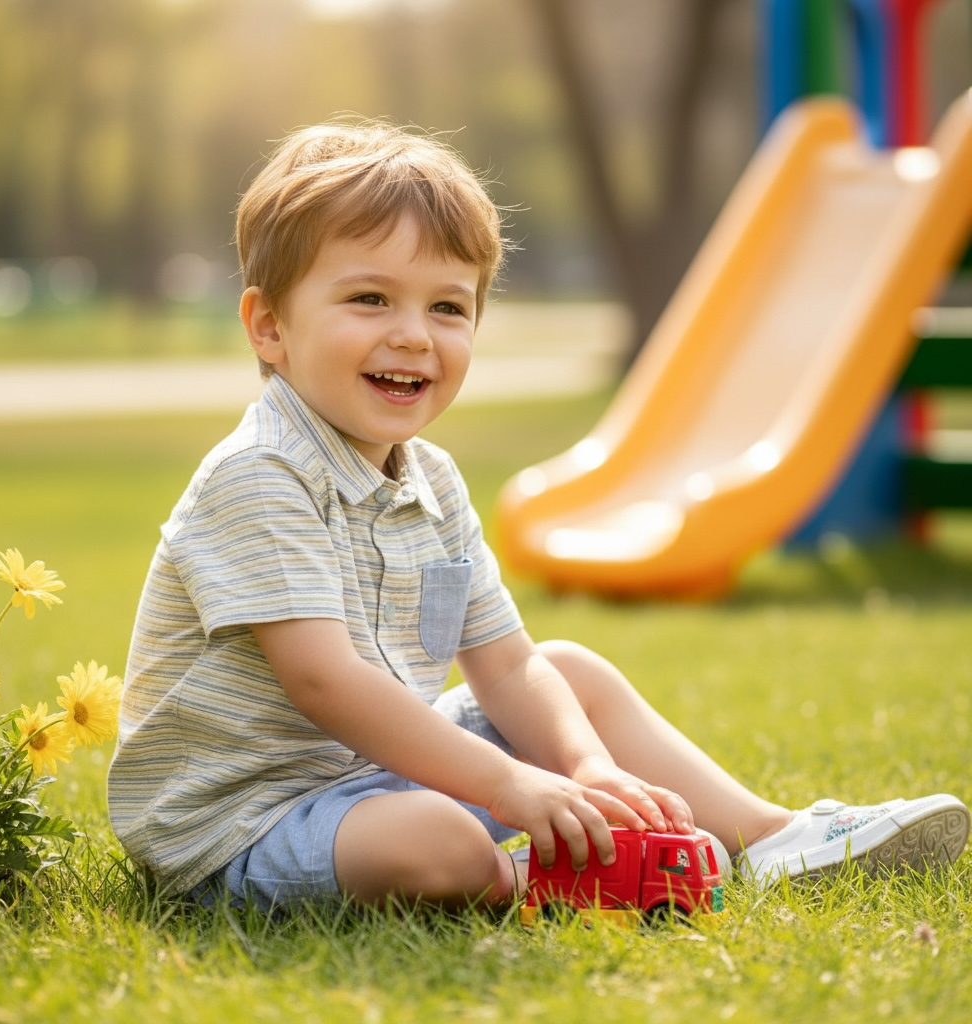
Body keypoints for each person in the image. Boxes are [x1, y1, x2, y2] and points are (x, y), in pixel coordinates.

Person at [106, 118, 969, 912]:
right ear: (269, 326)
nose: (414, 334)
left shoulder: (433, 482)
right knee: (439, 841)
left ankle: (774, 837)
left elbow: (511, 668)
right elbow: (325, 684)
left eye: (448, 306)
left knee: (570, 670)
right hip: (245, 819)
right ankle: (545, 868)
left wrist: (589, 765)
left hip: (372, 773)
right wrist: (512, 789)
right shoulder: (258, 477)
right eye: (370, 299)